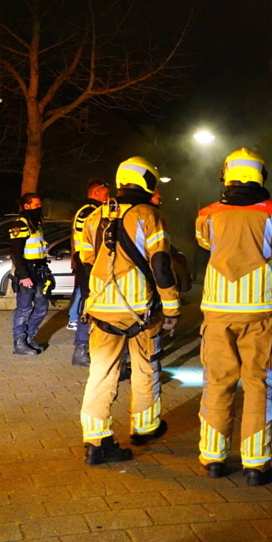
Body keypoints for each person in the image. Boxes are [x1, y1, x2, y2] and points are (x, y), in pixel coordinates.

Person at [194, 148, 272, 486]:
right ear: (261, 176)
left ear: (226, 176)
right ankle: (255, 466)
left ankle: (213, 458)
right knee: (259, 386)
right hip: (261, 314)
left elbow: (206, 245)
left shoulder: (208, 215)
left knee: (217, 383)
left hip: (217, 314)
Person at [78, 156, 182, 465]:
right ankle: (145, 427)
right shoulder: (150, 216)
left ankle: (96, 442)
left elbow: (85, 264)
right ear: (146, 180)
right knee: (145, 367)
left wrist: (90, 301)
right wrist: (172, 308)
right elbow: (161, 265)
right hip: (140, 311)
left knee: (100, 375)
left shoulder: (95, 217)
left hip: (101, 311)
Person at [68, 178, 110, 368]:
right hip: (89, 267)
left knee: (92, 306)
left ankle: (90, 348)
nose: (108, 198)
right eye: (106, 194)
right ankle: (81, 350)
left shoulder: (88, 211)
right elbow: (92, 242)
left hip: (88, 266)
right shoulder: (90, 212)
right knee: (89, 306)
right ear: (95, 193)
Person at [9, 193, 52, 356]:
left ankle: (29, 337)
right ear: (26, 206)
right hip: (27, 272)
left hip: (40, 271)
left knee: (42, 307)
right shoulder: (20, 225)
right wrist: (23, 275)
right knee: (24, 309)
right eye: (36, 205)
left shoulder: (37, 224)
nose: (39, 207)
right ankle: (19, 342)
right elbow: (16, 253)